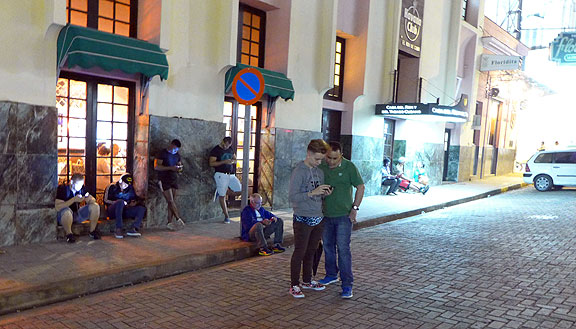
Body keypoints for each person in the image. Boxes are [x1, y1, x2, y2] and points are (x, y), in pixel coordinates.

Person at [318, 141, 365, 299]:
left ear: (341, 156)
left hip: (344, 216)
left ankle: (347, 285)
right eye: (328, 158)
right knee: (328, 247)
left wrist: (355, 209)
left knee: (343, 250)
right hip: (325, 215)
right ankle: (331, 274)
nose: (331, 161)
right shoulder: (321, 166)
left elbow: (360, 187)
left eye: (334, 158)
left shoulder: (349, 167)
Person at [288, 139, 332, 298]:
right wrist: (312, 193)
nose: (319, 162)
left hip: (317, 216)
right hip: (302, 217)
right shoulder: (299, 171)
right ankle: (294, 284)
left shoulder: (319, 172)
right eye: (316, 159)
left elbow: (318, 193)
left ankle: (307, 280)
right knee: (300, 251)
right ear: (308, 154)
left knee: (312, 250)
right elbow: (293, 196)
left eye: (321, 159)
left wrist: (324, 193)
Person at [55, 173, 101, 243]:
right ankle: (69, 234)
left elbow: (93, 199)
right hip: (64, 216)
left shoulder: (81, 189)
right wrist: (73, 199)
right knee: (67, 212)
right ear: (72, 182)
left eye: (81, 185)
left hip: (76, 214)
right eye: (78, 184)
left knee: (95, 206)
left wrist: (88, 199)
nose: (80, 187)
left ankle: (92, 231)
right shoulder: (63, 189)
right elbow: (58, 207)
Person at [154, 139, 186, 230]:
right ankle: (178, 218)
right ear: (171, 145)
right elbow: (156, 167)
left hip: (173, 179)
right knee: (170, 200)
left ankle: (169, 222)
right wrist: (170, 168)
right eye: (174, 149)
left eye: (177, 150)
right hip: (164, 179)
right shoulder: (162, 153)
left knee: (171, 202)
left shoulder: (177, 155)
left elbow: (179, 165)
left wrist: (179, 168)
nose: (175, 151)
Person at [103, 173, 147, 239]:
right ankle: (119, 228)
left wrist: (133, 203)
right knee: (120, 202)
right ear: (120, 181)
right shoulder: (112, 187)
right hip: (113, 211)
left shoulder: (130, 189)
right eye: (125, 183)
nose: (126, 185)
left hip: (125, 210)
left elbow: (134, 199)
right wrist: (118, 203)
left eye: (127, 184)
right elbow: (105, 200)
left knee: (141, 209)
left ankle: (134, 228)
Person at [209, 137, 242, 224]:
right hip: (220, 174)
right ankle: (227, 216)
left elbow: (235, 159)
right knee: (222, 196)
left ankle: (220, 191)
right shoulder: (216, 150)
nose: (226, 147)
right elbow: (211, 163)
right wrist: (223, 162)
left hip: (230, 174)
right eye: (225, 145)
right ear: (222, 142)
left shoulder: (230, 149)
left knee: (240, 190)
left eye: (228, 146)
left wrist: (232, 161)